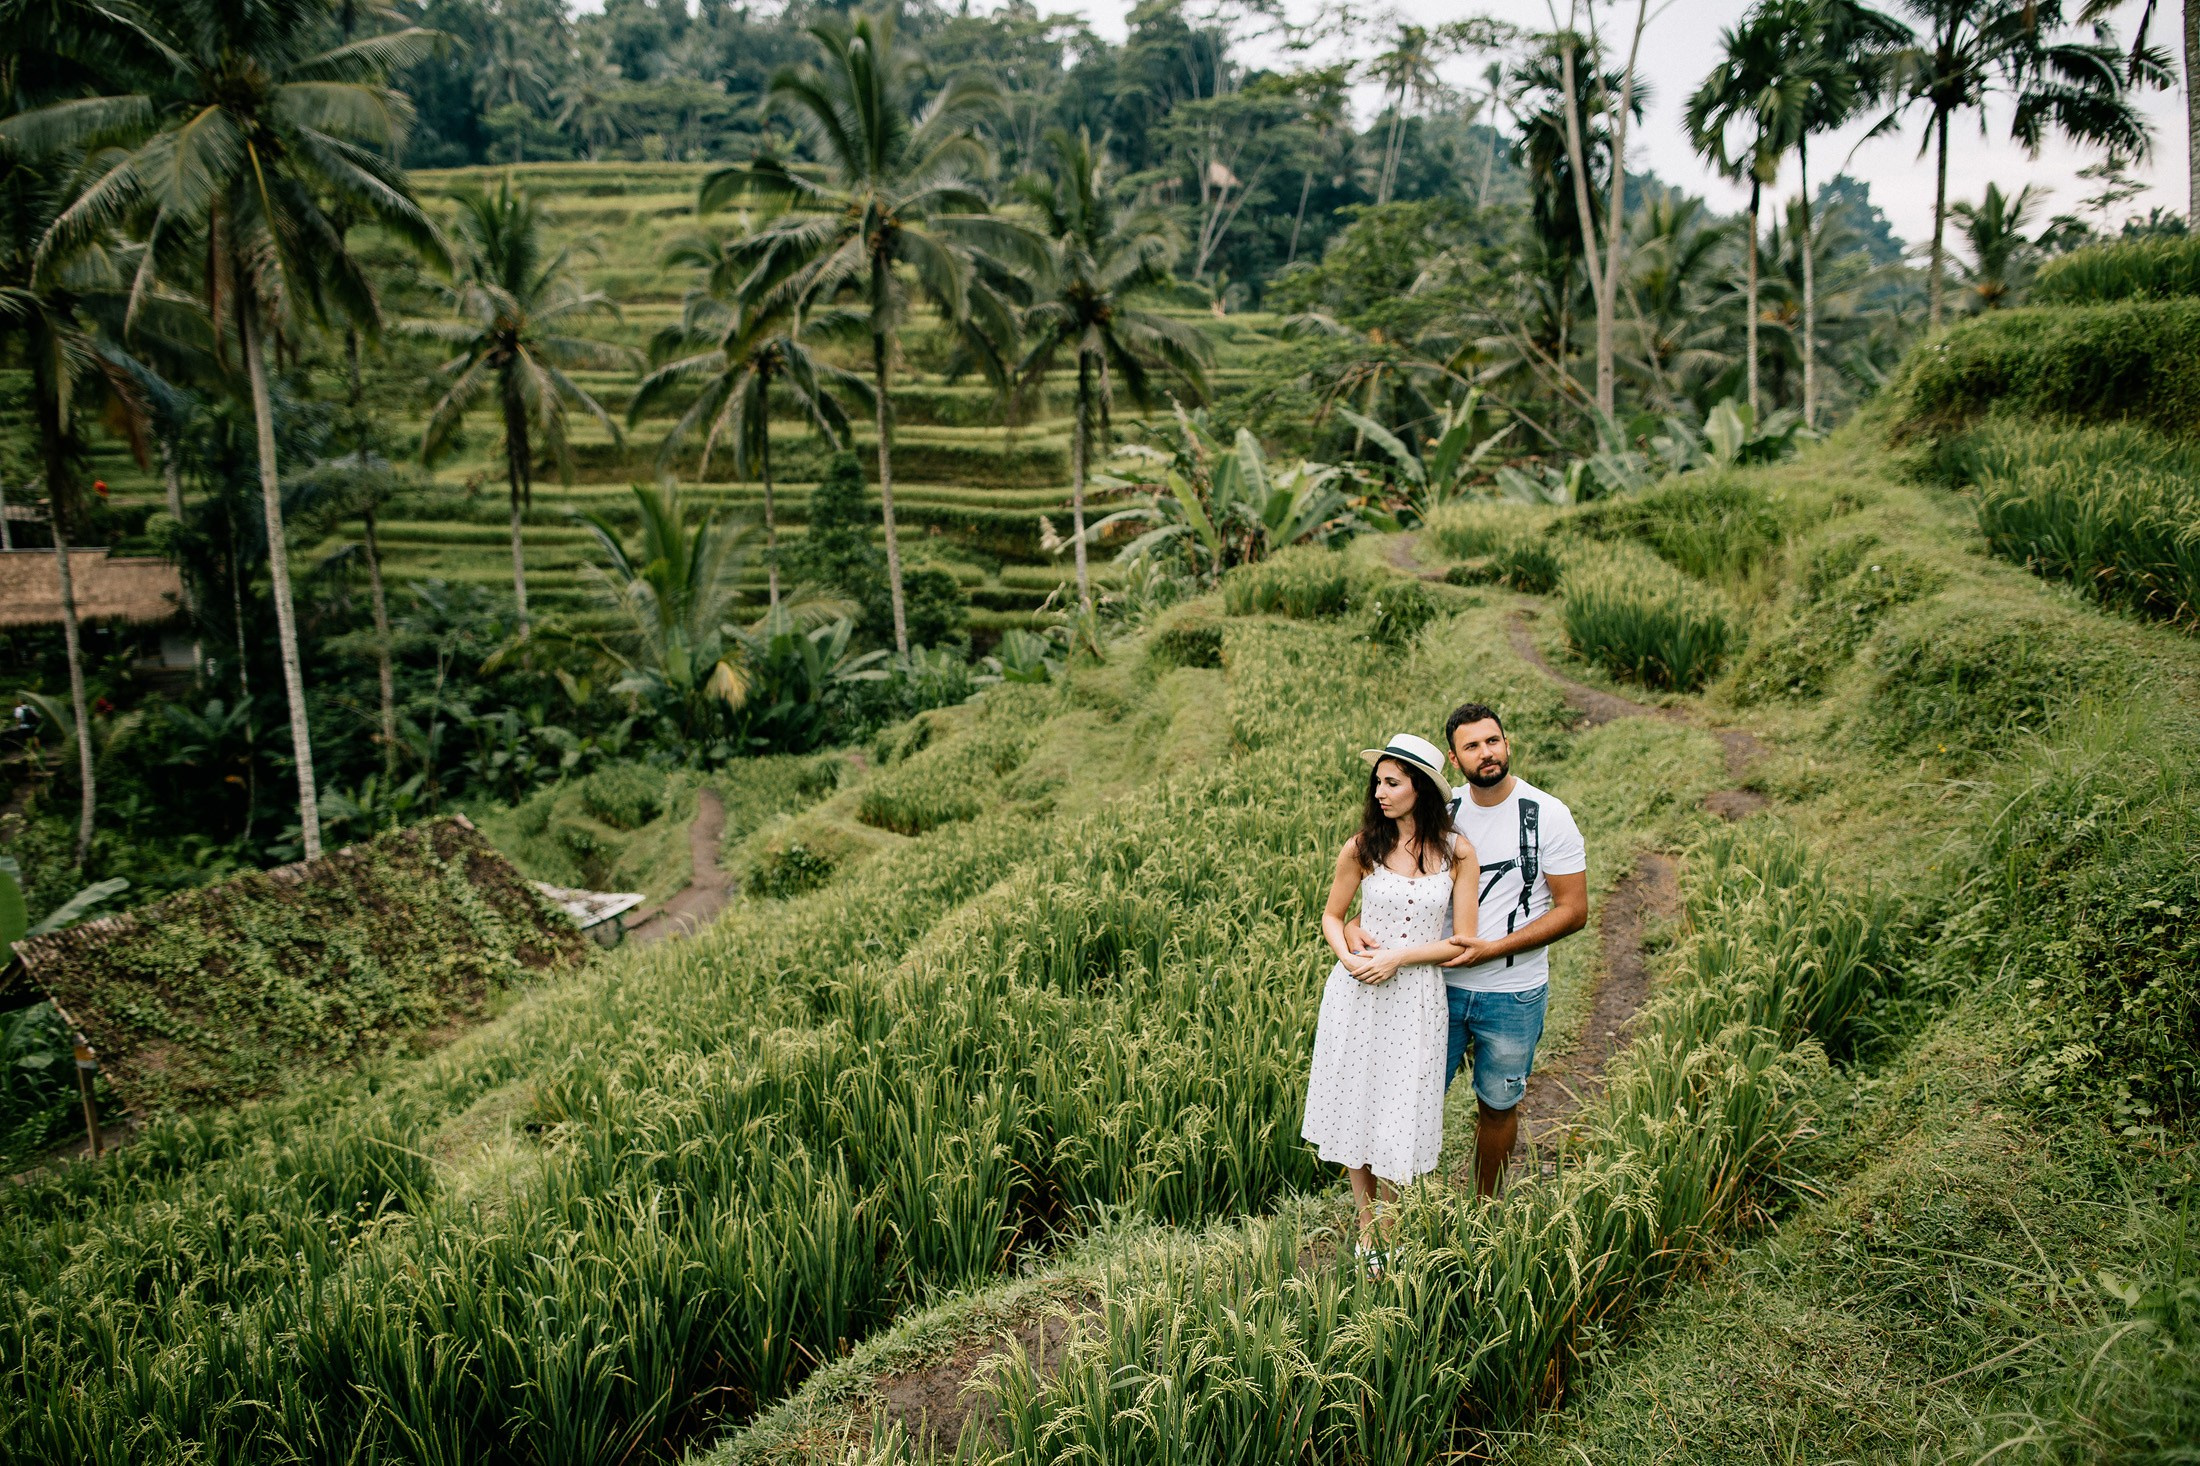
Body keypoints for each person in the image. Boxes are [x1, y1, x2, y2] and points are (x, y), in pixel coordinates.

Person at [1347, 703, 1588, 1198]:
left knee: (1498, 1104)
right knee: (1410, 1101)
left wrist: (1493, 948)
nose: (1487, 753)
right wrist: (1355, 922)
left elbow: (1574, 910)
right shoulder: (1437, 811)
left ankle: (1485, 1206)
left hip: (1513, 990)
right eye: (1472, 746)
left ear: (1507, 742)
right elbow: (1388, 882)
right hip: (1435, 986)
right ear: (1454, 761)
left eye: (1493, 741)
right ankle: (1403, 1215)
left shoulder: (1548, 815)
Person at [1303, 733, 1479, 1262]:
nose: (1380, 792)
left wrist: (1396, 958)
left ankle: (1393, 1229)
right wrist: (1349, 954)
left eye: (1392, 782)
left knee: (1400, 1105)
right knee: (1355, 1099)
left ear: (1421, 789)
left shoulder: (1456, 851)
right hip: (1357, 992)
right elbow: (1333, 917)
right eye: (1377, 782)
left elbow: (1462, 940)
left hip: (1416, 996)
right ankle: (1366, 1229)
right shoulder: (1362, 847)